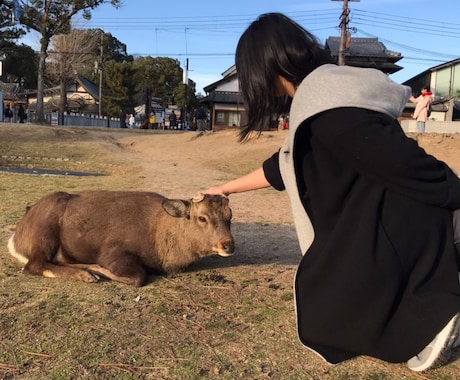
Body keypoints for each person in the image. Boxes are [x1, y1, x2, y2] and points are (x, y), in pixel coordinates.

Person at [202, 13, 460, 372]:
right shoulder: (318, 103)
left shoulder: (332, 112)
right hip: (374, 222)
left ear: (268, 66)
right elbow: (283, 164)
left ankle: (438, 318)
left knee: (332, 296)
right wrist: (225, 188)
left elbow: (408, 166)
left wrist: (455, 200)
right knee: (327, 297)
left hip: (405, 225)